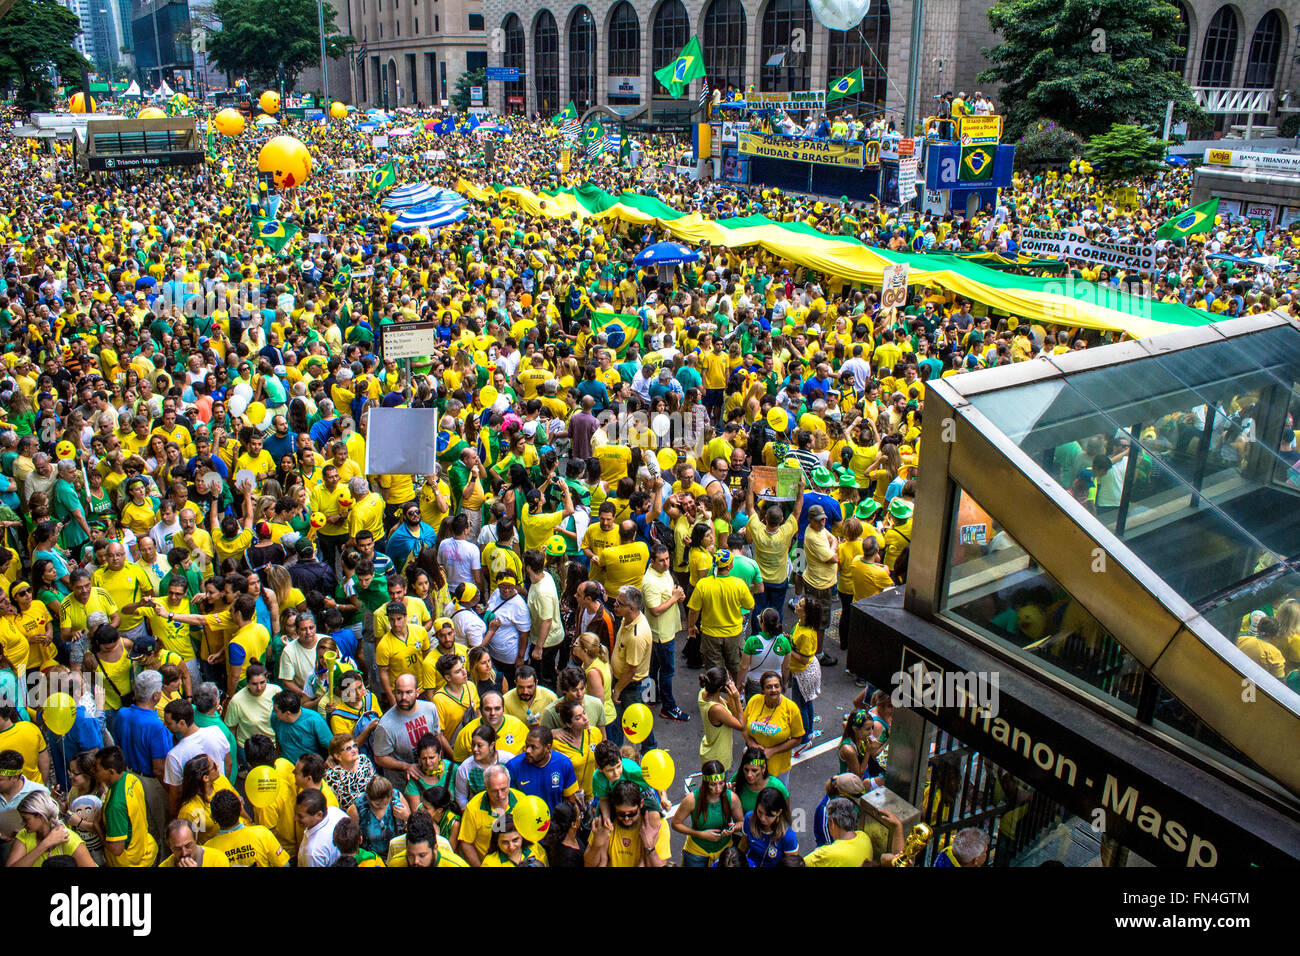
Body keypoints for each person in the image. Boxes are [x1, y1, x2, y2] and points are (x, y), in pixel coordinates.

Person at [686, 550, 755, 685]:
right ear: (730, 565)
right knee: (735, 667)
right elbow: (750, 605)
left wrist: (691, 626)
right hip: (734, 633)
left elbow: (694, 610)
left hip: (710, 635)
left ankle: (715, 696)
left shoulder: (703, 584)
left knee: (714, 671)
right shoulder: (739, 584)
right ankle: (737, 693)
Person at [370, 673, 442, 786]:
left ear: (417, 692)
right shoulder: (385, 725)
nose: (404, 697)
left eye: (408, 692)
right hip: (403, 782)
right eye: (399, 692)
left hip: (429, 775)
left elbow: (438, 736)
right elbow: (379, 758)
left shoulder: (430, 708)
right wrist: (405, 767)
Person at [93, 746, 158, 868]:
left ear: (111, 771)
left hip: (130, 862)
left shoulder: (115, 806)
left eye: (97, 769)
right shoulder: (131, 778)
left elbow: (117, 849)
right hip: (145, 848)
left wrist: (98, 830)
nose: (93, 772)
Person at [670, 758, 744, 866]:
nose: (718, 789)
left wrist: (733, 828)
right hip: (697, 852)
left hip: (724, 852)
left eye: (721, 783)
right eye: (713, 784)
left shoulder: (732, 798)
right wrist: (701, 834)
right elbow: (675, 823)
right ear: (705, 783)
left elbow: (741, 822)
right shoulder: (692, 800)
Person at [609, 585, 656, 750]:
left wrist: (617, 691)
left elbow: (630, 670)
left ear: (631, 608)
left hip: (631, 685)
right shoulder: (627, 619)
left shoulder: (637, 635)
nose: (615, 605)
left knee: (635, 721)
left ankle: (648, 750)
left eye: (619, 603)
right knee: (628, 719)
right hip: (625, 682)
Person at [585, 779, 670, 867]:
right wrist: (596, 844)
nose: (626, 818)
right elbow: (588, 864)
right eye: (621, 814)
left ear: (641, 804)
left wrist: (650, 846)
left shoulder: (657, 824)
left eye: (632, 814)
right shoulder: (604, 824)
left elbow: (661, 865)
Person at [7, 789, 97, 867]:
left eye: (26, 819)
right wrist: (46, 844)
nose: (22, 823)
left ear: (41, 817)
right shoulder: (24, 834)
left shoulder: (70, 840)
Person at [804, 796, 903, 866]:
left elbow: (799, 862)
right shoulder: (864, 837)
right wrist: (898, 826)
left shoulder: (826, 854)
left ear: (833, 824)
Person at [505, 726, 580, 811]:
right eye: (527, 745)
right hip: (526, 821)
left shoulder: (563, 763)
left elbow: (569, 799)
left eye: (533, 747)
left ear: (548, 748)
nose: (527, 751)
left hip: (555, 822)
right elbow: (507, 800)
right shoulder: (513, 766)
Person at [738, 786, 800, 867]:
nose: (762, 818)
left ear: (779, 812)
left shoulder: (788, 837)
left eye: (769, 815)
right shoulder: (749, 819)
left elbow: (791, 864)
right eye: (760, 812)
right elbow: (743, 846)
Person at [295, 787, 349, 867]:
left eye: (300, 816)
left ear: (319, 815)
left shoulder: (312, 853)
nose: (295, 819)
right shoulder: (336, 812)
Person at [158, 818, 231, 867]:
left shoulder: (217, 860)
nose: (184, 853)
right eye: (177, 848)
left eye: (188, 845)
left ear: (195, 837)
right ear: (169, 846)